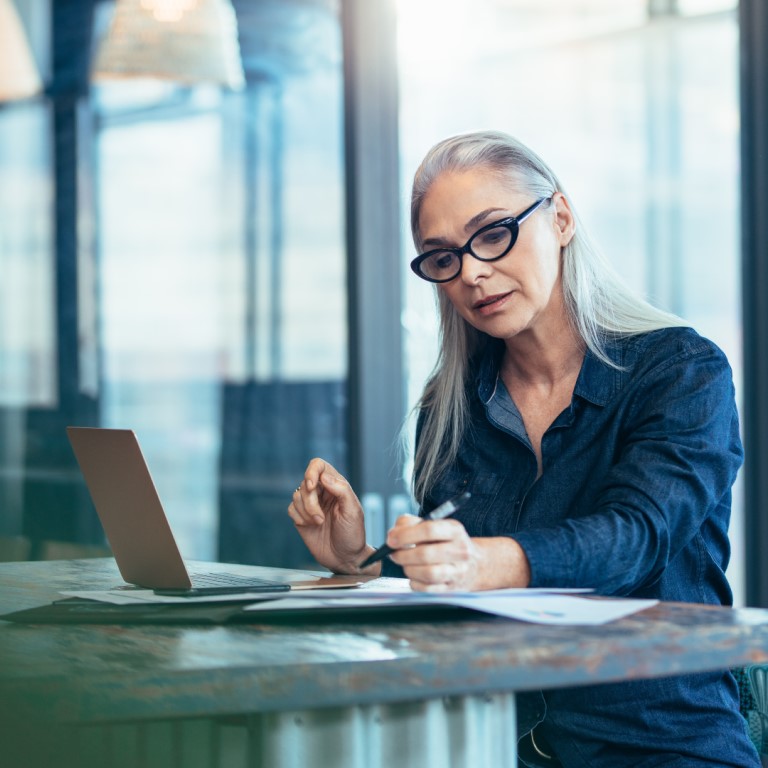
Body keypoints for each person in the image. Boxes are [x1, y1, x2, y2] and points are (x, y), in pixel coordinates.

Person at [287, 130, 759, 767]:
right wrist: (365, 562)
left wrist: (481, 563)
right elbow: (459, 580)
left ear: (559, 218)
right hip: (492, 744)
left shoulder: (680, 372)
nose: (473, 272)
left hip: (660, 744)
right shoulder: (450, 407)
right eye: (443, 257)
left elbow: (637, 536)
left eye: (492, 233)